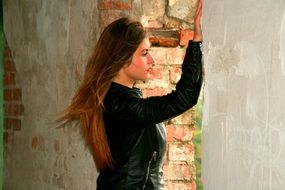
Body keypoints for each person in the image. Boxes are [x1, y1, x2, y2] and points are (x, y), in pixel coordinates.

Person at [58, 0, 203, 189]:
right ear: (122, 60)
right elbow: (184, 98)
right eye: (144, 53)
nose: (152, 60)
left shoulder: (121, 101)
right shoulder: (120, 106)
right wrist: (196, 41)